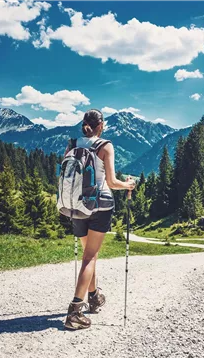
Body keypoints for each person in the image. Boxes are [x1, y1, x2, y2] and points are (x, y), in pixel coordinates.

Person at [64, 109, 136, 330]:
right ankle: (75, 312)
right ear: (101, 125)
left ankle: (93, 296)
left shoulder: (72, 143)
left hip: (76, 205)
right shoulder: (105, 146)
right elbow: (112, 182)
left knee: (88, 255)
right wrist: (129, 185)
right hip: (99, 206)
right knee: (90, 258)